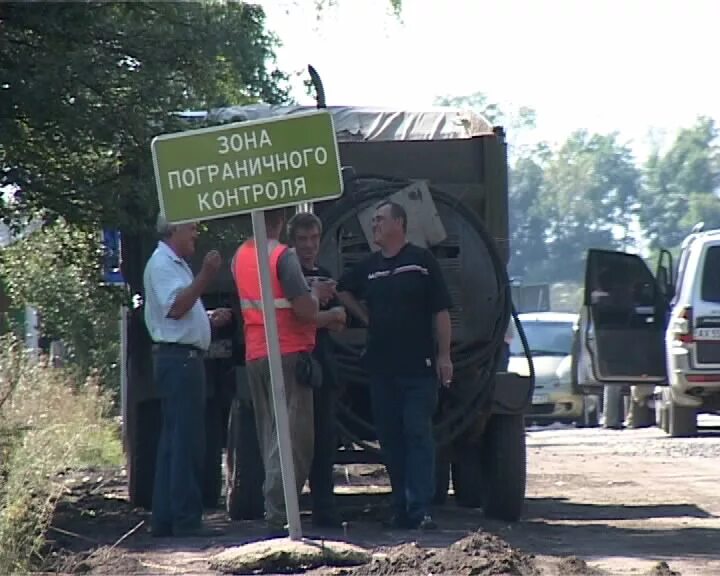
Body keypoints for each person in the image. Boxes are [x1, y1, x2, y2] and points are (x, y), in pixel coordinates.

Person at [337, 200, 453, 531]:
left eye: (380, 219)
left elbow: (441, 311)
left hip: (418, 368)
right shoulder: (370, 267)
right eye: (372, 220)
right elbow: (343, 289)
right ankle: (400, 508)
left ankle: (420, 509)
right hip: (382, 371)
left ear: (399, 224)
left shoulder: (421, 262)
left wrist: (444, 356)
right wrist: (365, 318)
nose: (374, 225)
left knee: (417, 433)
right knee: (391, 439)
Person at [231, 208, 338, 536]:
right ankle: (279, 516)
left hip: (256, 354)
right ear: (280, 223)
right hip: (288, 354)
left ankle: (276, 510)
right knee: (295, 441)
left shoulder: (241, 255)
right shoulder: (281, 256)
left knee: (272, 437)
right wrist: (319, 298)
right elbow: (304, 311)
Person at [143, 215, 232, 538]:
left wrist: (206, 319)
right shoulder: (164, 264)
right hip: (180, 363)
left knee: (172, 442)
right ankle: (185, 519)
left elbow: (179, 312)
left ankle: (166, 519)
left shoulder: (174, 264)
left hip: (179, 360)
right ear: (173, 230)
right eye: (191, 227)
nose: (197, 233)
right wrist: (207, 276)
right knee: (185, 442)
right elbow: (176, 307)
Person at [286, 212, 347, 528]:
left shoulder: (323, 274)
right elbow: (302, 316)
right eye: (302, 240)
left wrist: (332, 313)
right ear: (292, 242)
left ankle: (324, 506)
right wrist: (327, 312)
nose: (309, 246)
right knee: (297, 440)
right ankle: (291, 511)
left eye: (313, 239)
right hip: (298, 364)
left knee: (325, 439)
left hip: (323, 364)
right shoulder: (289, 273)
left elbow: (340, 324)